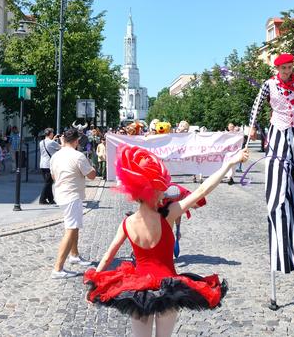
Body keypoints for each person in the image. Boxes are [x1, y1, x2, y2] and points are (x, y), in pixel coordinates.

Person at [84, 145, 249, 337]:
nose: (164, 193)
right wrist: (229, 163)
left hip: (138, 292)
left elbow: (108, 255)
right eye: (160, 189)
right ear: (153, 191)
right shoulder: (168, 216)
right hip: (169, 288)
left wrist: (94, 285)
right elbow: (202, 190)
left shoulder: (127, 223)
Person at [248, 53, 294, 275]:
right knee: (278, 182)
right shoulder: (269, 85)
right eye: (284, 68)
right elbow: (257, 106)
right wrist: (251, 127)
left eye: (290, 67)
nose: (287, 72)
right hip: (278, 131)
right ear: (277, 69)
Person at [50, 128, 98, 279]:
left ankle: (74, 255)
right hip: (72, 195)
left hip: (60, 193)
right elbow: (91, 176)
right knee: (71, 229)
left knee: (74, 225)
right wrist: (93, 167)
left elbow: (53, 176)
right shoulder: (78, 156)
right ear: (77, 141)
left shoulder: (55, 156)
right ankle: (58, 268)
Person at [39, 128, 61, 205]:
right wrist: (61, 140)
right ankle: (42, 200)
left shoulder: (41, 142)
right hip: (49, 165)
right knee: (48, 183)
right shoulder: (51, 142)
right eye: (52, 133)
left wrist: (54, 139)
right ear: (50, 134)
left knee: (48, 183)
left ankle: (51, 200)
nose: (53, 134)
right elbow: (61, 147)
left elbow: (49, 146)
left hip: (42, 164)